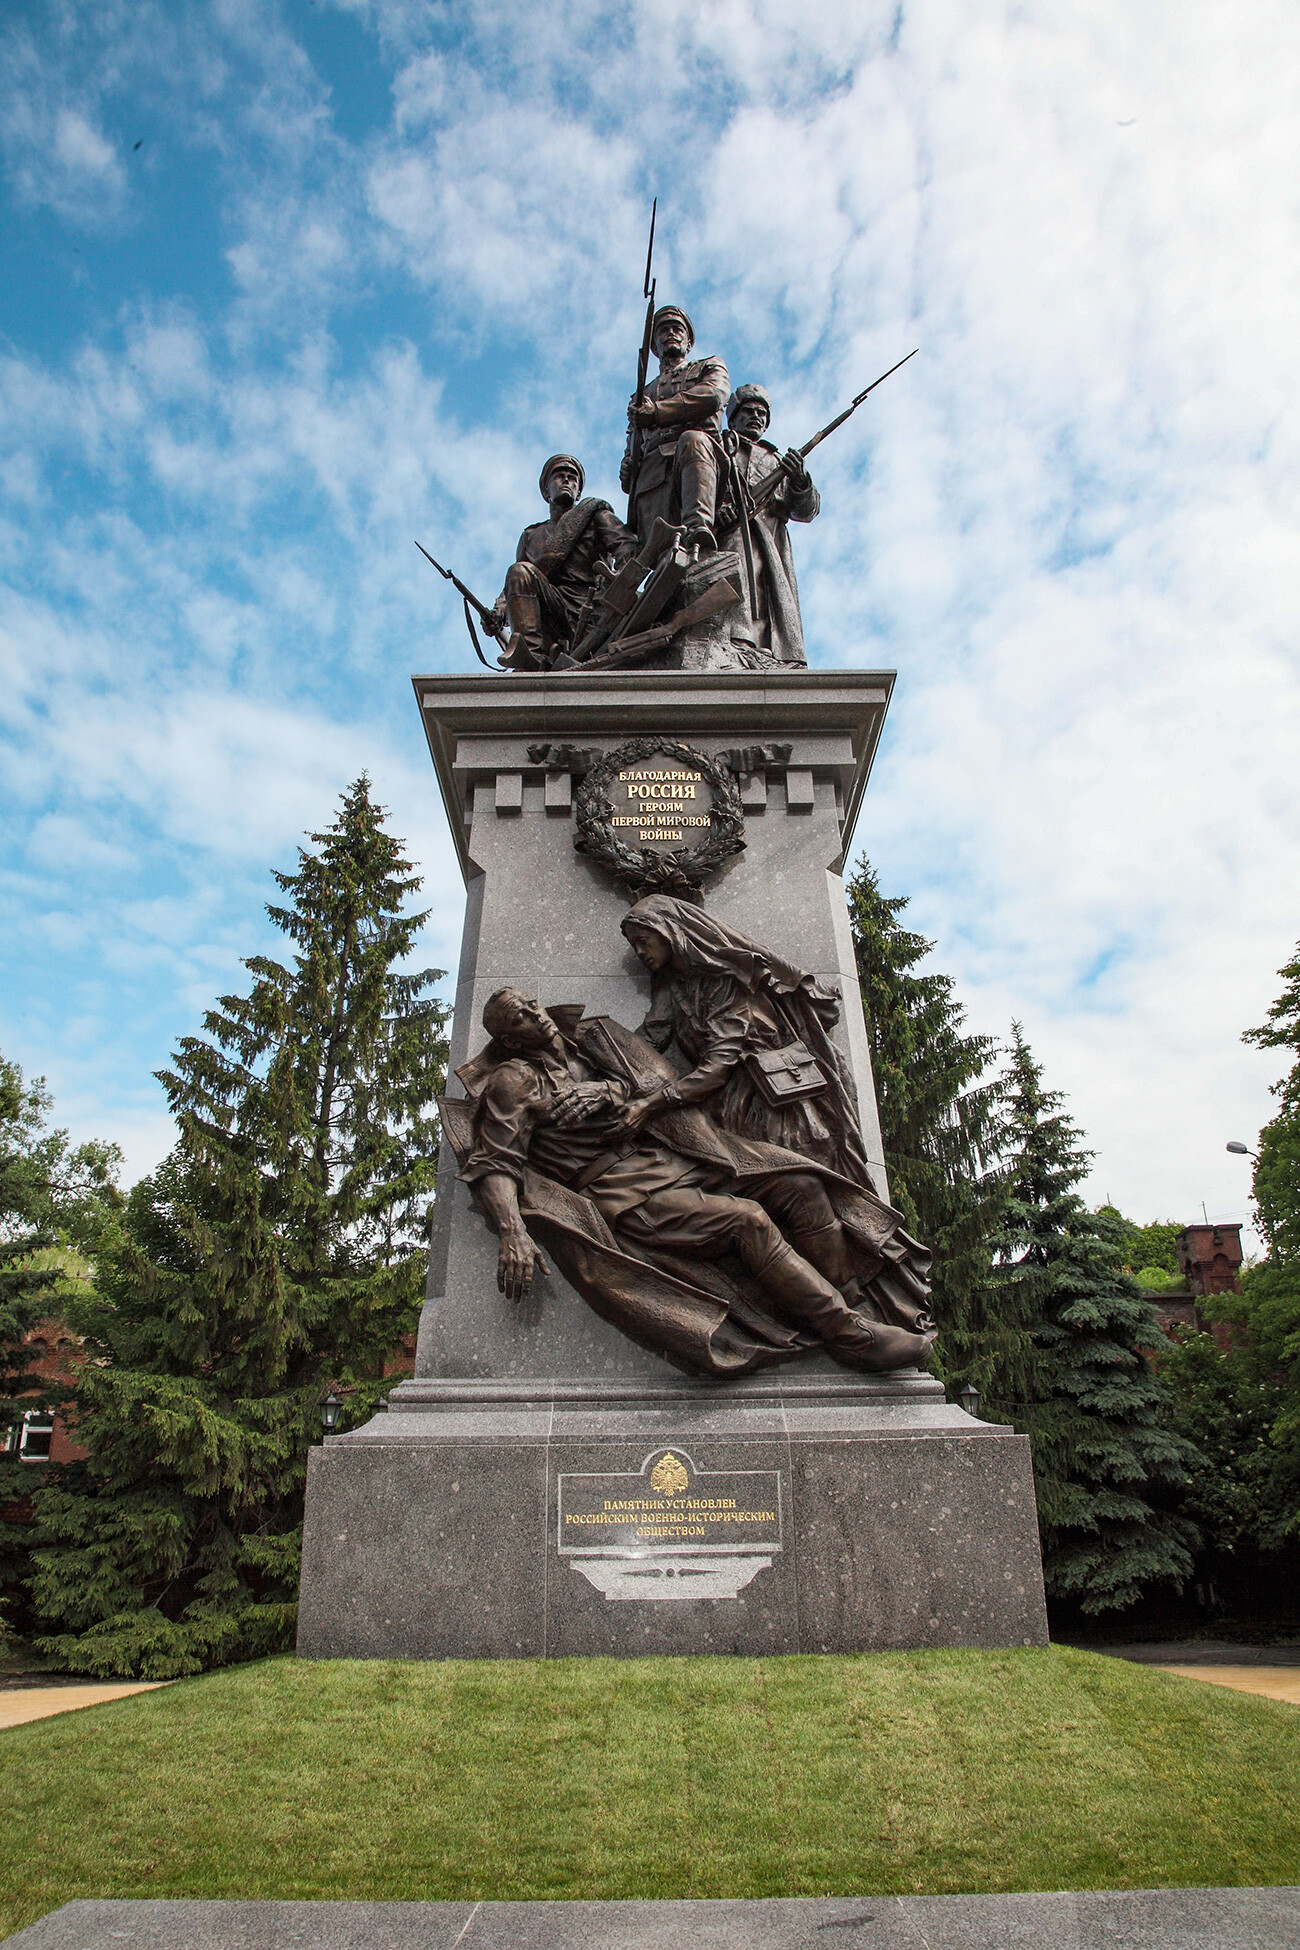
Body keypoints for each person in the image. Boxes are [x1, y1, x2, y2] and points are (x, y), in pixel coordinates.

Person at [448, 987, 935, 1379]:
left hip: (672, 1157)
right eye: (521, 1017)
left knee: (800, 1185)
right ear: (510, 1041)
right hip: (624, 1190)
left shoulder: (595, 1043)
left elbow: (653, 1076)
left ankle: (852, 1302)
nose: (537, 1013)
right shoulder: (513, 1080)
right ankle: (848, 1336)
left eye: (531, 1004)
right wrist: (512, 1230)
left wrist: (611, 1088)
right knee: (749, 1221)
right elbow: (496, 1161)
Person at [618, 894, 874, 1189]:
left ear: (668, 931)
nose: (639, 952)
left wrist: (648, 1105)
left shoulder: (726, 980)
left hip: (767, 1105)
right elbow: (651, 1035)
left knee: (793, 1191)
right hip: (726, 1104)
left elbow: (716, 1068)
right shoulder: (672, 983)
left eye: (643, 940)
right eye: (634, 945)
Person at [487, 455, 637, 672]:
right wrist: (498, 614)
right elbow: (514, 585)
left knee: (522, 571)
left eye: (572, 478)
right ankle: (531, 655)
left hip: (590, 606)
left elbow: (628, 549)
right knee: (519, 572)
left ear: (579, 492)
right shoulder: (531, 535)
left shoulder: (595, 516)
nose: (567, 481)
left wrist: (619, 585)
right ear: (546, 491)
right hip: (552, 609)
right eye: (559, 476)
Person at [721, 384, 819, 666]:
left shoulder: (777, 460)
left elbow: (807, 510)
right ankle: (736, 641)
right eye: (749, 411)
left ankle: (768, 651)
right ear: (734, 417)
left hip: (770, 537)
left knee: (767, 595)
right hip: (730, 530)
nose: (756, 417)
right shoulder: (722, 448)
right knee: (735, 578)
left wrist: (800, 479)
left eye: (762, 414)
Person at [620, 307, 730, 554]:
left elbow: (712, 396)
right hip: (653, 472)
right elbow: (632, 444)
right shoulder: (641, 394)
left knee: (692, 439)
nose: (670, 333)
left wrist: (657, 412)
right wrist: (627, 467)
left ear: (688, 341)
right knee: (660, 553)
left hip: (698, 459)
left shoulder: (708, 367)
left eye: (677, 329)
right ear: (654, 346)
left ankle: (698, 530)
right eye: (663, 330)